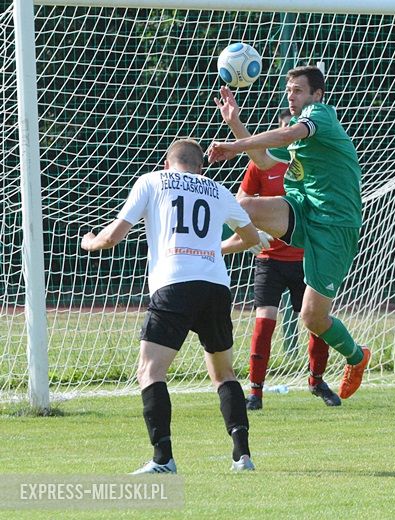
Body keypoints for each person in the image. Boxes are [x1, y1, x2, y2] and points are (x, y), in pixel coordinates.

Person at [81, 139, 262, 474]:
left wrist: (91, 242)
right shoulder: (218, 190)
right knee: (224, 374)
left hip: (174, 284)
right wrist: (210, 249)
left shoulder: (151, 181)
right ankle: (243, 455)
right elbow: (251, 239)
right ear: (201, 168)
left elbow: (112, 237)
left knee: (150, 372)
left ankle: (163, 458)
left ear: (168, 164)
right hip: (215, 287)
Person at [209, 66, 370, 400]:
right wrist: (234, 123)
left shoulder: (320, 116)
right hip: (303, 208)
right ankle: (237, 244)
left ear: (316, 95)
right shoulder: (300, 129)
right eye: (288, 89)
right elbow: (265, 160)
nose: (290, 95)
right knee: (246, 207)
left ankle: (357, 356)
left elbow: (282, 138)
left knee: (313, 318)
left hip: (335, 227)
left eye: (298, 90)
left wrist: (232, 145)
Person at [217, 100, 341, 410]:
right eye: (285, 129)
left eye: (294, 131)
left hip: (305, 256)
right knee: (264, 321)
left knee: (316, 320)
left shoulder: (312, 165)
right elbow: (241, 201)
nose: (289, 135)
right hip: (270, 259)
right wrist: (252, 232)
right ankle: (256, 392)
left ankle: (316, 381)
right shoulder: (263, 165)